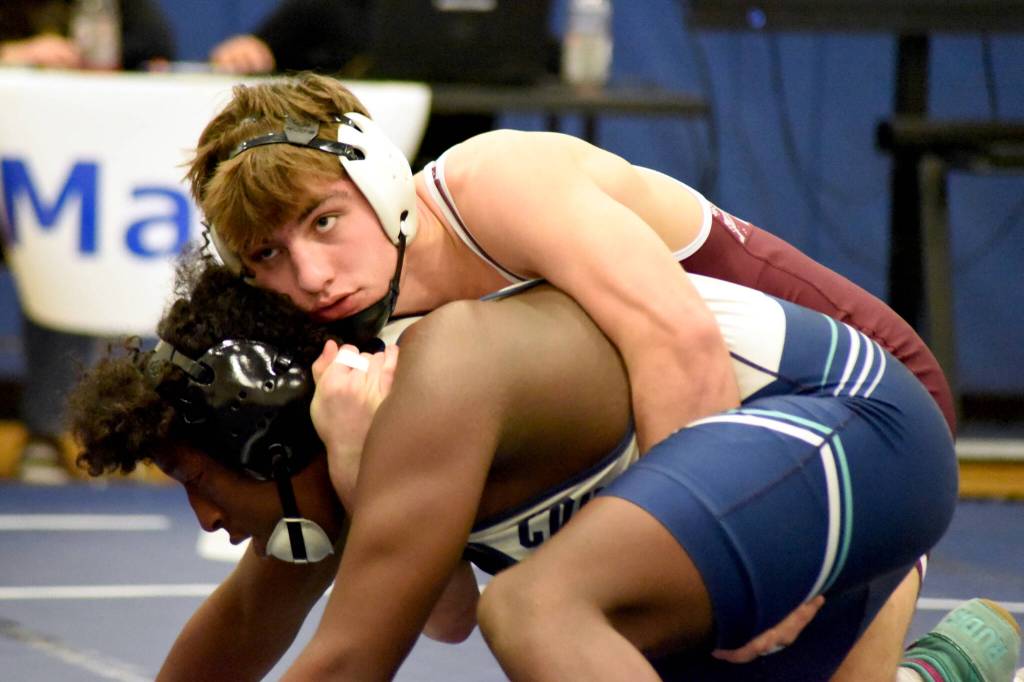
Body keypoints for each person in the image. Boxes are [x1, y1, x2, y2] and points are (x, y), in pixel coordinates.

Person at [186, 71, 958, 676]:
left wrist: (743, 566)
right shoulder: (361, 353)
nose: (313, 275)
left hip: (846, 389)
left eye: (324, 222)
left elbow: (678, 344)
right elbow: (440, 611)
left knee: (599, 616)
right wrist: (355, 460)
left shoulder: (493, 187)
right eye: (269, 256)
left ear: (382, 178)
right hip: (731, 427)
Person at [67, 253, 989, 680]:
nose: (206, 521)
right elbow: (231, 639)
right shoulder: (332, 467)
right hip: (776, 525)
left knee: (537, 610)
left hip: (855, 427)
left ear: (267, 439)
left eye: (199, 481)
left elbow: (351, 663)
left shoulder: (440, 375)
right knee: (572, 636)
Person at [0, 0, 175, 483]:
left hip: (54, 176)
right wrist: (14, 55)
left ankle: (44, 434)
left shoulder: (106, 6)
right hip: (10, 168)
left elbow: (156, 45)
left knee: (62, 261)